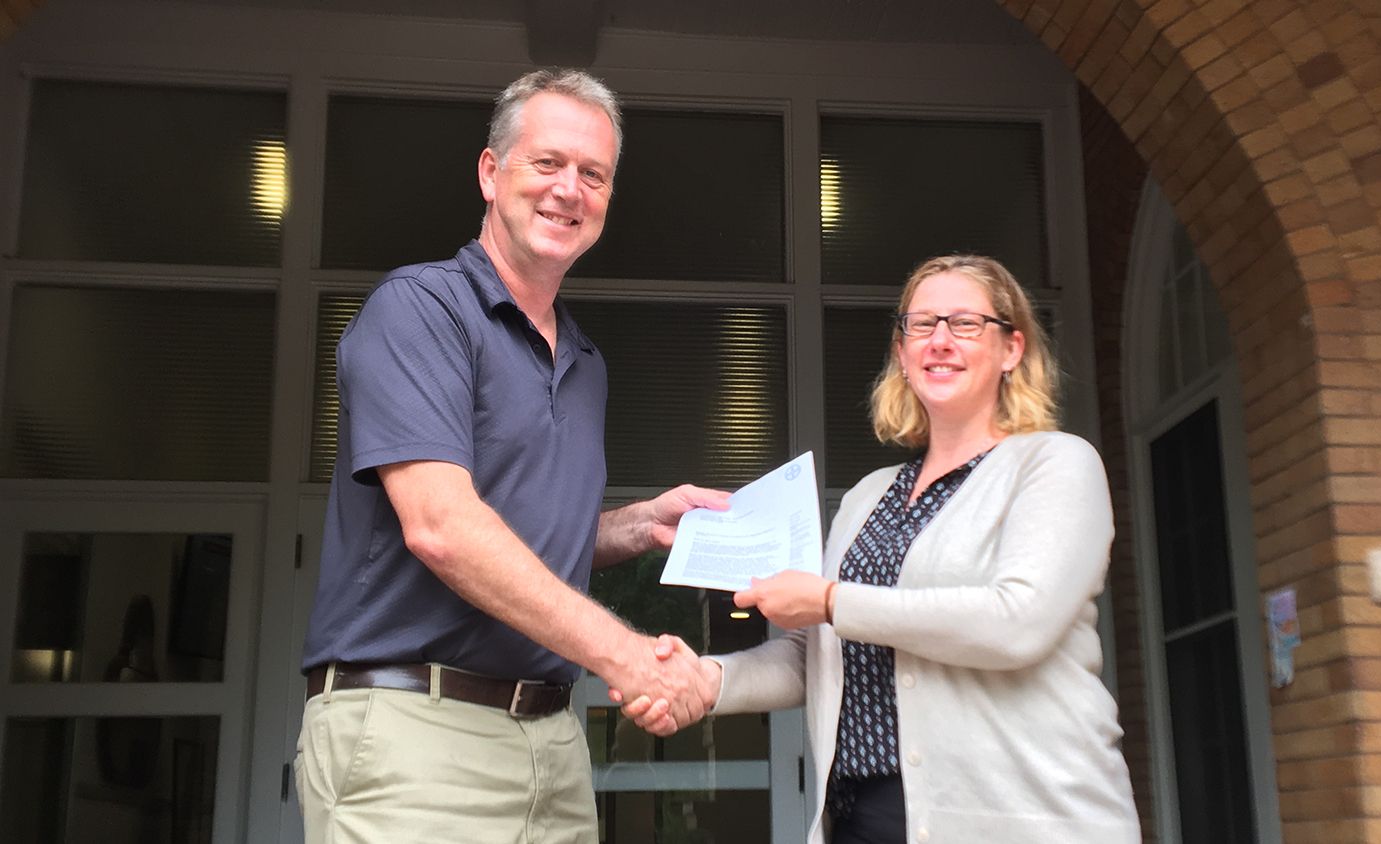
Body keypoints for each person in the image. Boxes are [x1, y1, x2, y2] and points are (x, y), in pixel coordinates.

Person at [296, 68, 724, 843]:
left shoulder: (586, 362)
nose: (570, 189)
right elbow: (443, 528)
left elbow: (523, 536)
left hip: (552, 743)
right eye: (547, 163)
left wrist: (635, 526)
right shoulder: (420, 309)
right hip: (413, 732)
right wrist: (627, 656)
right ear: (491, 173)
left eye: (593, 174)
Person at [627, 254, 1141, 843]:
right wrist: (706, 681)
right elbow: (818, 653)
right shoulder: (869, 496)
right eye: (921, 325)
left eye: (966, 324)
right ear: (901, 352)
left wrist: (829, 599)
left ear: (1011, 350)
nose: (940, 340)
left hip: (1022, 815)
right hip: (864, 817)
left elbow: (1017, 622)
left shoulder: (1056, 464)